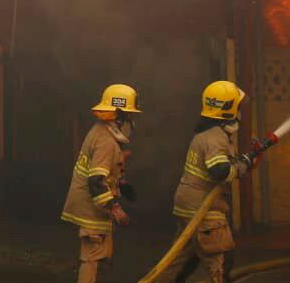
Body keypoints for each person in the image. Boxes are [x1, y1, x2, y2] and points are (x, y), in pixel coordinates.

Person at [153, 81, 252, 283]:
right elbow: (220, 171)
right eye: (237, 106)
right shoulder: (216, 137)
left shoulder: (209, 134)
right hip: (204, 210)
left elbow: (223, 163)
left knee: (183, 259)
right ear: (228, 109)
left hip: (188, 205)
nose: (240, 110)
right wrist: (243, 167)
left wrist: (246, 161)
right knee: (221, 260)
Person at [60, 83, 140, 283]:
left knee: (103, 256)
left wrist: (121, 182)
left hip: (92, 205)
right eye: (129, 116)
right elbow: (96, 180)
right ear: (119, 116)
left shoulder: (101, 132)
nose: (132, 122)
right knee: (92, 258)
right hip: (91, 207)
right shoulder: (106, 141)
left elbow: (106, 169)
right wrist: (116, 208)